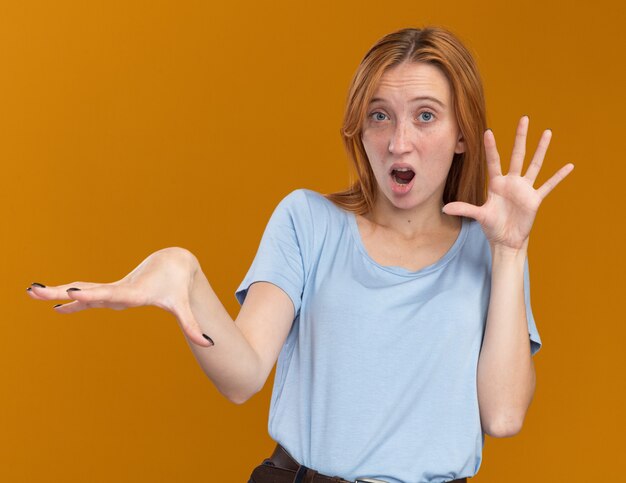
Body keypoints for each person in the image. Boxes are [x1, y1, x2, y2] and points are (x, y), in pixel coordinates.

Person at [26, 26, 573, 483]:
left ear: (461, 135)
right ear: (360, 129)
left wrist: (510, 251)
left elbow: (502, 415)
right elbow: (242, 377)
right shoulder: (308, 222)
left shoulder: (491, 251)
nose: (398, 141)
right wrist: (185, 276)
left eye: (426, 116)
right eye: (380, 115)